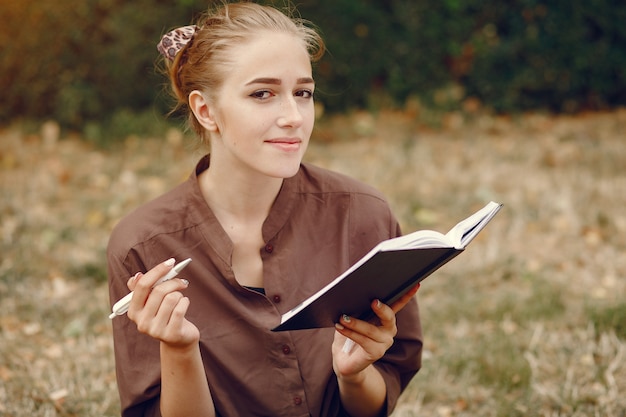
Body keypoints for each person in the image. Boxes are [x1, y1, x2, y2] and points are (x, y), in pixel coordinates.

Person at [107, 2, 422, 416]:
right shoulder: (142, 247)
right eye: (262, 94)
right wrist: (180, 350)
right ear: (206, 110)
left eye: (303, 93)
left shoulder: (362, 217)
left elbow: (379, 397)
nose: (293, 117)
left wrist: (354, 375)